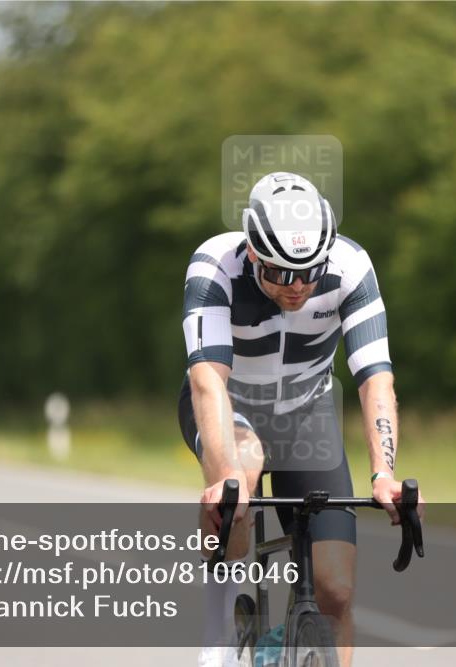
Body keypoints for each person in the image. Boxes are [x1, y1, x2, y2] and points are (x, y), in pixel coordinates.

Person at [178, 172, 424, 667]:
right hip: (233, 405)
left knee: (335, 589)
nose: (299, 287)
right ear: (253, 252)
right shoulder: (215, 268)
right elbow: (209, 382)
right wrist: (227, 477)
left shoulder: (352, 267)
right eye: (282, 274)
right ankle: (218, 640)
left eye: (310, 272)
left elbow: (376, 380)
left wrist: (384, 474)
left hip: (307, 412)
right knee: (239, 475)